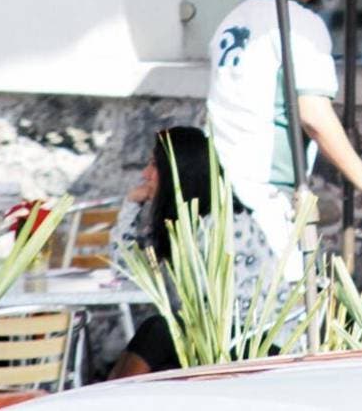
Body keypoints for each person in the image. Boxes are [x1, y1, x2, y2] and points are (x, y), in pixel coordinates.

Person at [206, 0, 362, 281]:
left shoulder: (231, 21)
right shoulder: (296, 22)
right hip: (265, 199)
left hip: (219, 192)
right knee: (286, 306)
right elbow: (314, 115)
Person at [109, 127, 283, 378]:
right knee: (156, 330)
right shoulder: (186, 222)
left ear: (179, 171)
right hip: (221, 334)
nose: (145, 174)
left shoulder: (220, 225)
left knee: (158, 332)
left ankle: (113, 395)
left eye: (154, 165)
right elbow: (128, 269)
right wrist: (131, 205)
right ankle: (111, 394)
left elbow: (209, 309)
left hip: (257, 340)